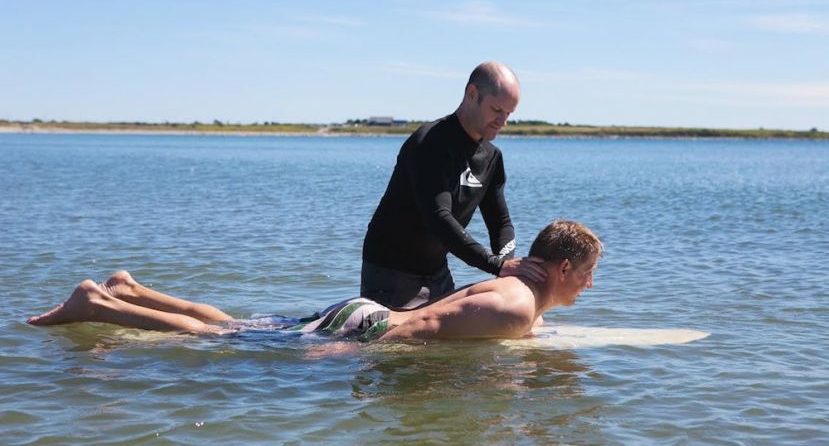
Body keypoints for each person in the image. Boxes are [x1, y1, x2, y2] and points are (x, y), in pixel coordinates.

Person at [28, 220, 602, 341]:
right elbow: (426, 326)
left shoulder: (517, 293)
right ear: (564, 268)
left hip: (363, 310)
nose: (591, 287)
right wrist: (336, 356)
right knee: (221, 340)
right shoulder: (519, 309)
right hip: (366, 331)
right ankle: (99, 307)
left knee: (236, 325)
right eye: (589, 276)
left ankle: (130, 289)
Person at [362, 61, 547, 309]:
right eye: (496, 110)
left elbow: (500, 223)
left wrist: (507, 264)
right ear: (472, 95)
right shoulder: (430, 143)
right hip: (391, 271)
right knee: (399, 347)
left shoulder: (492, 158)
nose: (502, 121)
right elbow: (438, 218)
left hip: (437, 272)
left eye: (509, 114)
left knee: (445, 345)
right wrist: (496, 265)